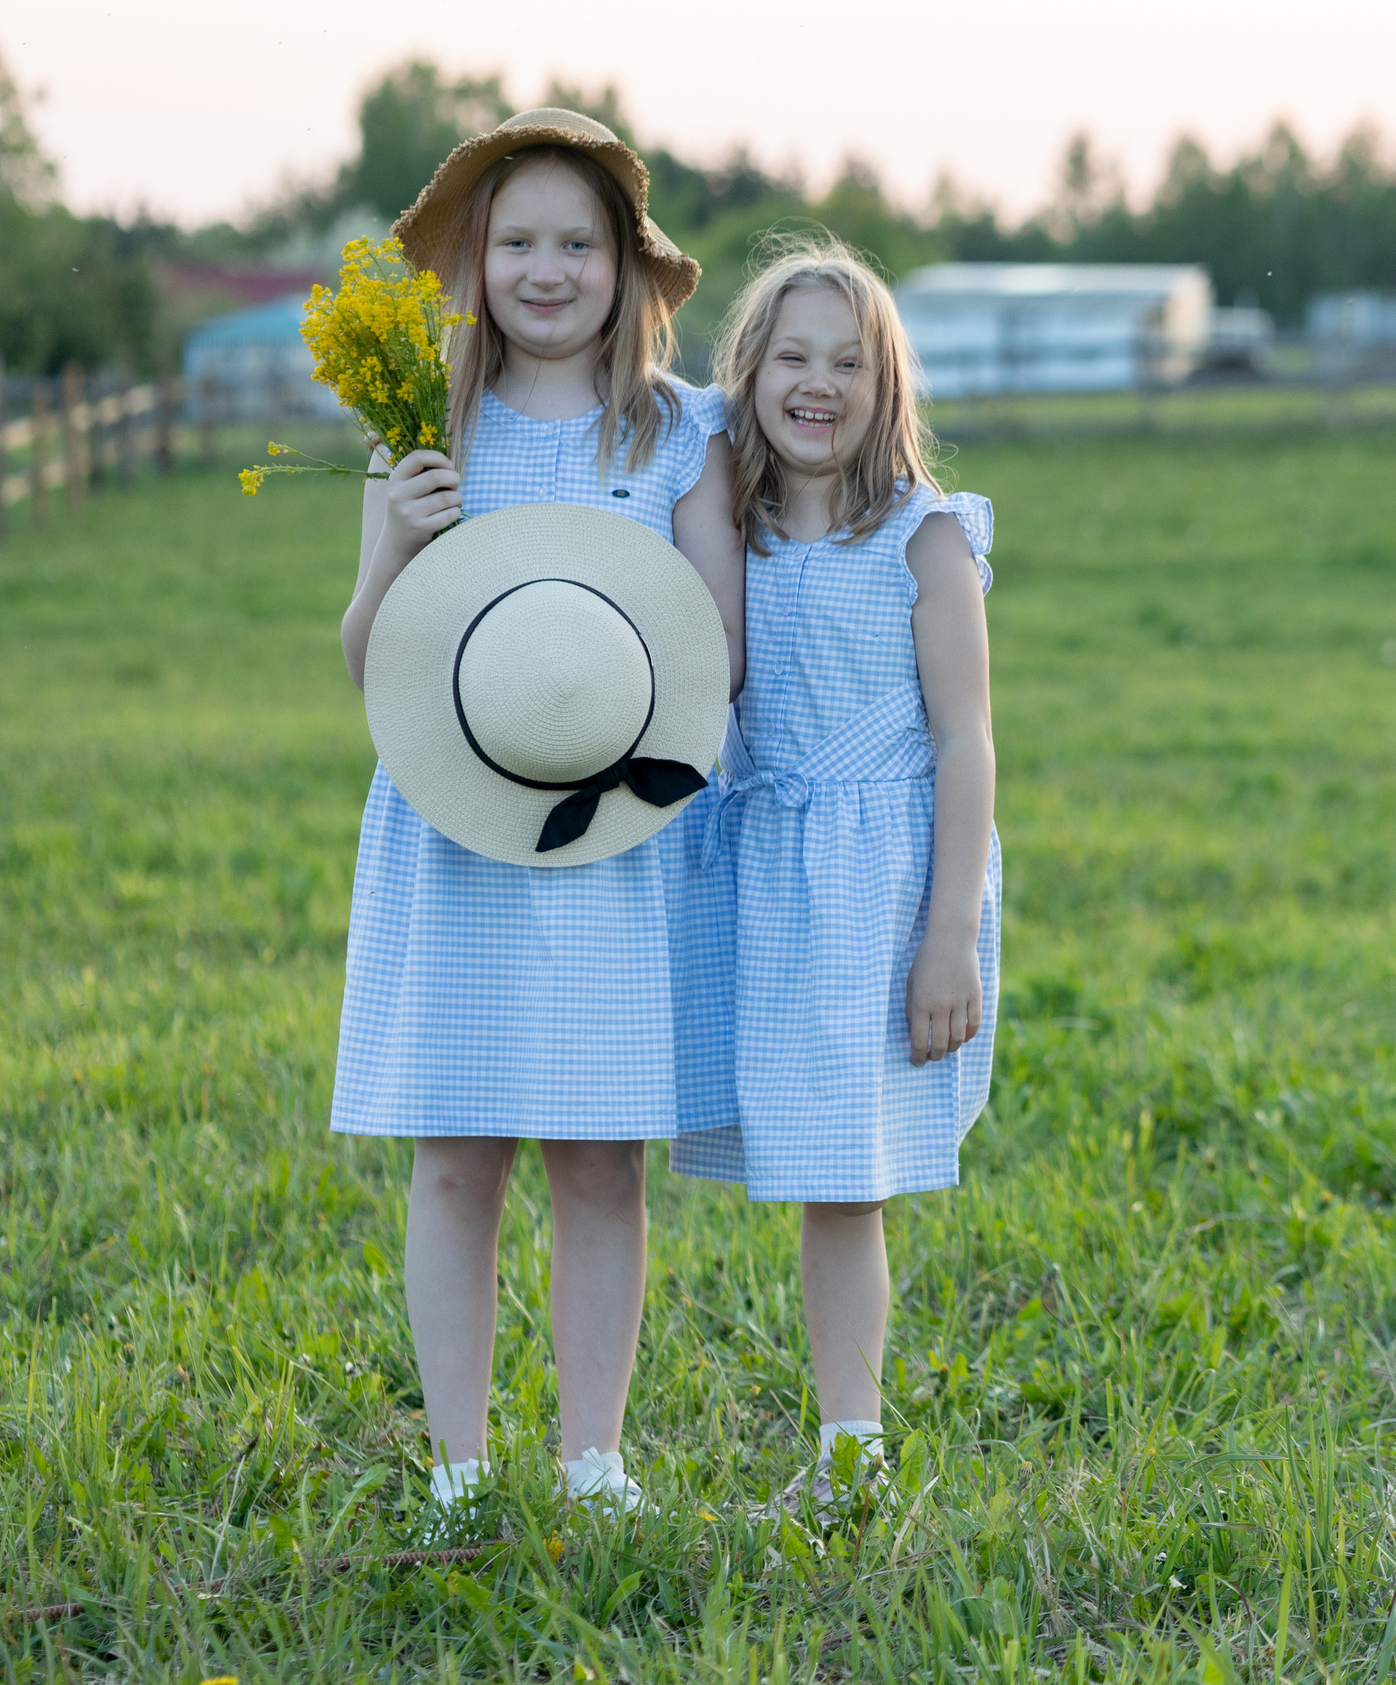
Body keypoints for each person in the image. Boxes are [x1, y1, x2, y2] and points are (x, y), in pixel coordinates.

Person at [331, 109, 745, 1521]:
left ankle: (592, 1458)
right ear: (477, 262)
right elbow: (370, 662)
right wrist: (395, 541)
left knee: (598, 1156)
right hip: (458, 826)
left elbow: (715, 647)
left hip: (611, 843)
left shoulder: (677, 432)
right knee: (457, 1158)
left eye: (578, 244)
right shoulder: (424, 429)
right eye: (519, 243)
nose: (547, 270)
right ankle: (457, 1463)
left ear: (626, 268)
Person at [672, 236, 1001, 1520]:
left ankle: (851, 1461)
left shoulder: (924, 540)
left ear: (886, 386)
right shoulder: (728, 533)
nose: (818, 384)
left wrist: (948, 935)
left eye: (848, 364)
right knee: (810, 1166)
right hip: (767, 880)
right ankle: (836, 1446)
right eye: (792, 359)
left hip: (884, 889)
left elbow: (967, 741)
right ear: (748, 376)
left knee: (844, 1183)